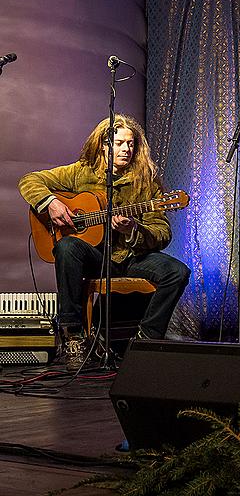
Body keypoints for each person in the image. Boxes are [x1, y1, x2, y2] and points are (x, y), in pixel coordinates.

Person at [19, 115, 190, 368]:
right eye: (120, 143)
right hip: (94, 258)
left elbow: (162, 232)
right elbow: (29, 180)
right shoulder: (81, 172)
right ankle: (73, 335)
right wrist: (51, 203)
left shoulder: (146, 181)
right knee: (66, 246)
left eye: (131, 144)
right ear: (103, 145)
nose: (126, 150)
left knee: (177, 272)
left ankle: (146, 340)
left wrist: (134, 229)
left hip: (129, 257)